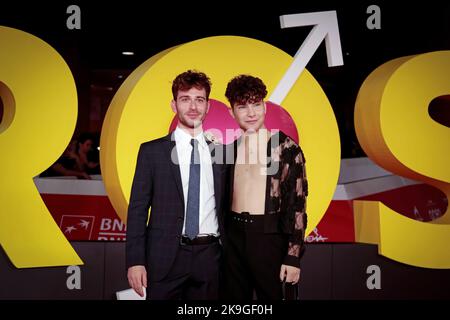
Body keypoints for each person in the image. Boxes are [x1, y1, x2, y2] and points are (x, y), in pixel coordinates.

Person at [126, 70, 227, 300]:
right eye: (185, 99)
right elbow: (138, 210)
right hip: (164, 258)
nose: (193, 106)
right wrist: (135, 261)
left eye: (199, 99)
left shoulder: (222, 154)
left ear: (208, 106)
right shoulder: (152, 152)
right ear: (174, 105)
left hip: (210, 259)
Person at [223, 74, 308, 300]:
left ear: (265, 107)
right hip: (233, 238)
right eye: (243, 106)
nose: (251, 113)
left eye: (256, 104)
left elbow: (297, 205)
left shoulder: (286, 148)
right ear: (232, 112)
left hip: (269, 237)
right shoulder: (228, 150)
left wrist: (293, 256)